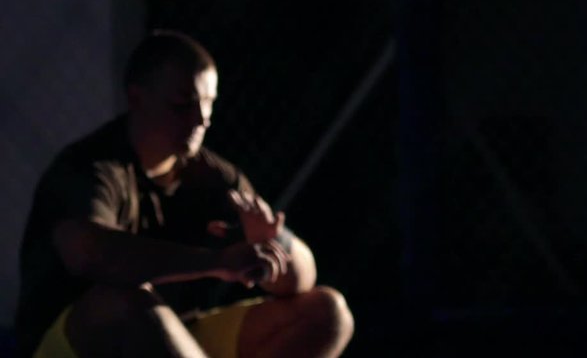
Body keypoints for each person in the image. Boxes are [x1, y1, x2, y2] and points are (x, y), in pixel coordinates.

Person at [15, 30, 354, 358]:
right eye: (183, 104)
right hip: (78, 342)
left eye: (209, 103)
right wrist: (216, 263)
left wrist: (273, 244)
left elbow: (303, 277)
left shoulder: (212, 175)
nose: (201, 119)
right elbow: (91, 254)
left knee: (326, 312)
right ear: (136, 98)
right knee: (129, 302)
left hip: (176, 335)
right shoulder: (90, 168)